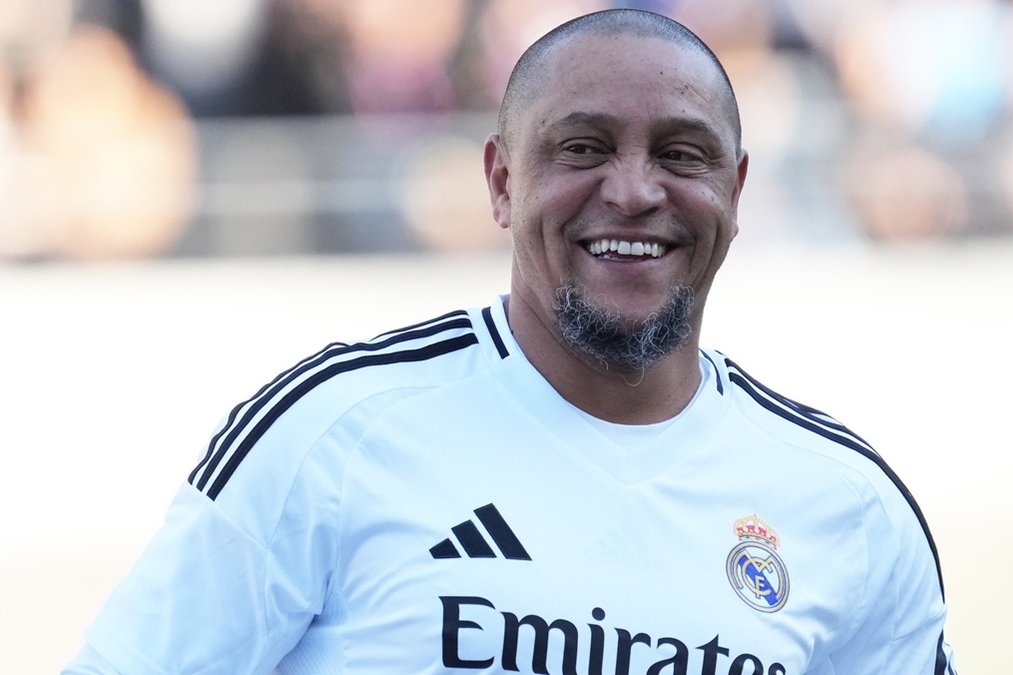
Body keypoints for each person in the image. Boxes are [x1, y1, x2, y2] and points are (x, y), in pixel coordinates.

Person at [64, 9, 956, 674]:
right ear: (500, 181)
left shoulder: (849, 511)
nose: (634, 191)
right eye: (583, 148)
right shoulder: (332, 434)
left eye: (682, 153)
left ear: (737, 189)